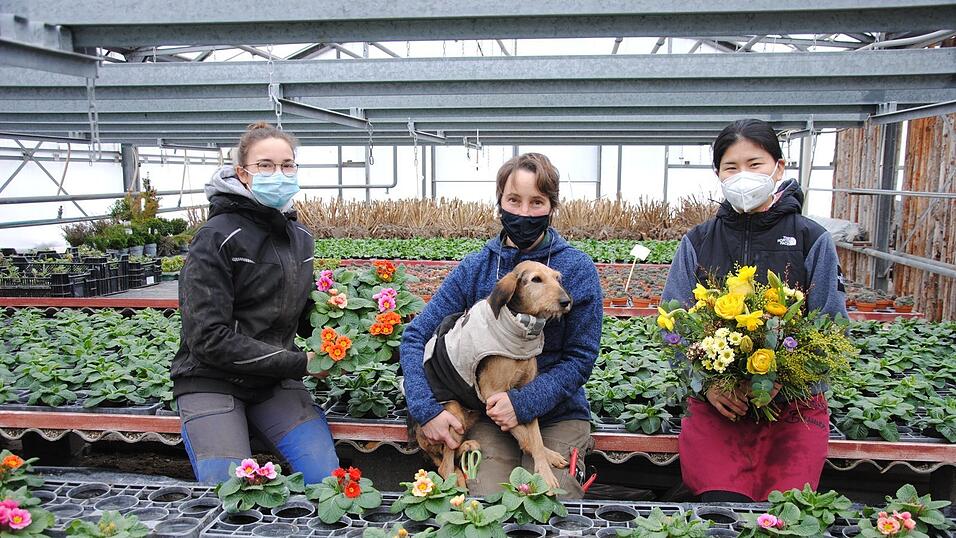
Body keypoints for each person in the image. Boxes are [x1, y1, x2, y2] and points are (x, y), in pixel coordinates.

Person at [662, 118, 848, 502]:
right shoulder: (697, 241)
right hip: (719, 409)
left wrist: (787, 379)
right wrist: (707, 384)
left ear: (779, 168)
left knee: (785, 512)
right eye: (731, 167)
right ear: (718, 174)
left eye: (755, 163)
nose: (743, 175)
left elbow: (834, 327)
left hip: (793, 411)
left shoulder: (811, 239)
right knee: (720, 508)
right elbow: (673, 328)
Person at [400, 153, 603, 497]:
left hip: (557, 414)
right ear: (500, 202)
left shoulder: (577, 269)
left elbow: (580, 358)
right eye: (514, 200)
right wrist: (426, 409)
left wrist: (524, 402)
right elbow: (416, 336)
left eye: (536, 202)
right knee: (484, 497)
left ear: (551, 206)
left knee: (547, 495)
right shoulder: (477, 268)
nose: (523, 212)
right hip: (488, 416)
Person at [171, 122, 337, 484]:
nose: (278, 173)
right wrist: (302, 363)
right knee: (229, 491)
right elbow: (208, 338)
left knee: (328, 480)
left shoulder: (299, 236)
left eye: (287, 165)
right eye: (265, 165)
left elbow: (298, 312)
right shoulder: (216, 236)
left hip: (273, 382)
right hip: (212, 380)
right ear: (243, 173)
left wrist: (339, 316)